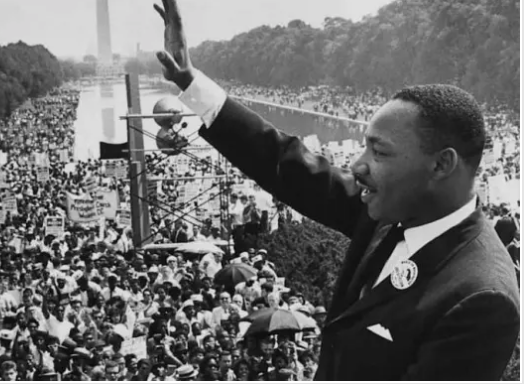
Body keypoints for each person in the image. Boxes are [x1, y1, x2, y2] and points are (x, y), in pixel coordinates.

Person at [151, 0, 519, 380]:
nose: (358, 165)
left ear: (441, 164)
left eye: (379, 152)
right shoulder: (392, 209)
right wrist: (190, 82)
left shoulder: (481, 296)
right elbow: (285, 162)